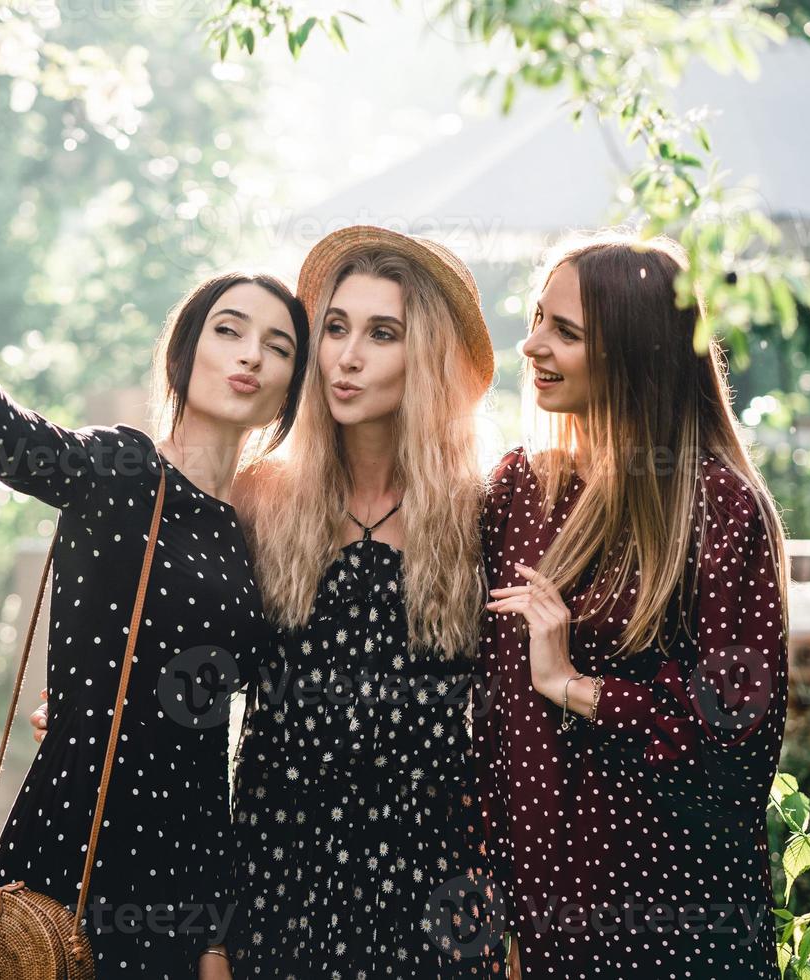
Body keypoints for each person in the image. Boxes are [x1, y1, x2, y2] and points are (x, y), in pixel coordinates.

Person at [0, 211, 311, 979]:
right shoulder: (121, 469)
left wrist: (218, 926)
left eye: (279, 346)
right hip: (80, 830)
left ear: (290, 388)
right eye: (229, 330)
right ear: (183, 354)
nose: (252, 353)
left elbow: (226, 726)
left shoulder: (254, 533)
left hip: (185, 859)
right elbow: (16, 440)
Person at [478, 230, 789, 979]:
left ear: (636, 353)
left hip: (677, 911)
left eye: (565, 332)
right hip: (544, 912)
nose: (529, 346)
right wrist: (495, 903)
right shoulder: (520, 487)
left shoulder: (717, 506)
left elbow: (736, 749)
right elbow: (495, 720)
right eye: (536, 319)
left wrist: (575, 687)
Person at [225, 228, 503, 977]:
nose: (347, 357)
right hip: (279, 883)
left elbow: (512, 737)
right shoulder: (261, 496)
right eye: (336, 328)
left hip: (433, 892)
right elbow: (185, 654)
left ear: (430, 360)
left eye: (383, 334)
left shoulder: (483, 516)